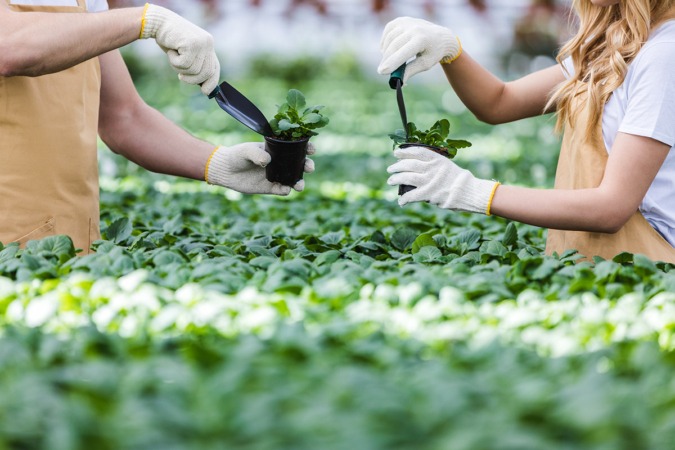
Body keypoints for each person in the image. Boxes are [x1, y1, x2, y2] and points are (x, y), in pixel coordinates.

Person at [0, 0, 312, 254]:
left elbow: (124, 117)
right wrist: (150, 22)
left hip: (68, 242)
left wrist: (217, 163)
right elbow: (9, 46)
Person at [379, 0, 675, 263]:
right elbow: (499, 103)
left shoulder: (664, 55)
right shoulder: (614, 47)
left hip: (651, 262)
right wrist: (449, 49)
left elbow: (612, 207)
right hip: (600, 263)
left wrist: (470, 191)